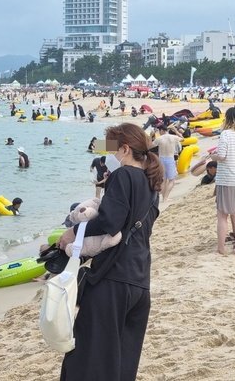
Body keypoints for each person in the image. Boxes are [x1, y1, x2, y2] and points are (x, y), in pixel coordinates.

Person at [57, 122, 162, 381]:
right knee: (122, 357)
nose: (110, 157)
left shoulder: (124, 175)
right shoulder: (151, 184)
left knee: (88, 355)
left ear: (125, 149)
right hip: (139, 280)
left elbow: (110, 222)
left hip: (113, 278)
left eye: (112, 150)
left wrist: (74, 231)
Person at [209, 107, 235, 255]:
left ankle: (221, 248)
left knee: (222, 215)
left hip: (227, 178)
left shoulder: (225, 134)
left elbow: (222, 156)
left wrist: (213, 156)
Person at [153, 125, 182, 202]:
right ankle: (165, 198)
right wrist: (176, 131)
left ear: (162, 130)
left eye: (159, 131)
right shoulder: (173, 137)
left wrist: (154, 135)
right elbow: (183, 139)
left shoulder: (159, 138)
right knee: (172, 180)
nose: (159, 132)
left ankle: (162, 198)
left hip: (161, 159)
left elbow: (151, 146)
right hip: (170, 158)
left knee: (163, 180)